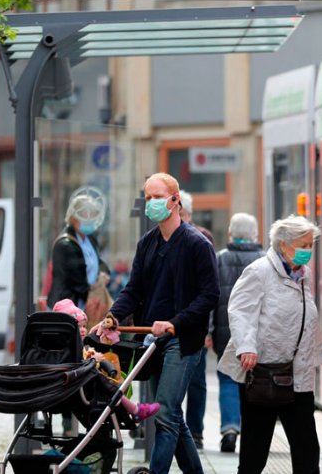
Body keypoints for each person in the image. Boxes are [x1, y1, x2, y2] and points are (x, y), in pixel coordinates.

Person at [101, 172, 219, 474]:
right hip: (152, 341)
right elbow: (134, 289)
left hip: (183, 340)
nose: (150, 203)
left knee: (164, 414)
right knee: (170, 416)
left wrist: (175, 323)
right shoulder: (147, 244)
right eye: (147, 197)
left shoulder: (197, 244)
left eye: (156, 196)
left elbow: (210, 295)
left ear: (175, 200)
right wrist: (113, 316)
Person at [218, 214, 322, 474]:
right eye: (303, 245)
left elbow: (309, 319)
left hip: (298, 377)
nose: (308, 251)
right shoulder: (259, 272)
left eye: (310, 246)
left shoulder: (302, 275)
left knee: (307, 450)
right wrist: (246, 347)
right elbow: (241, 311)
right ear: (284, 245)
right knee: (255, 452)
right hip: (263, 374)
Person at [53, 298, 160, 423]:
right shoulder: (70, 349)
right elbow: (79, 364)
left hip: (68, 389)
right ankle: (134, 410)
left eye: (84, 326)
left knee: (105, 381)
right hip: (80, 389)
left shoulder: (57, 349)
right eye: (78, 327)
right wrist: (94, 359)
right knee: (105, 381)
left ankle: (133, 409)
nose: (83, 330)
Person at [211, 213, 265, 453]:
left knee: (228, 380)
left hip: (226, 331)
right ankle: (254, 434)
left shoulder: (219, 260)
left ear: (231, 233)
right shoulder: (264, 259)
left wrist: (209, 330)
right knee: (255, 383)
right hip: (258, 333)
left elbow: (211, 297)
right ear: (255, 234)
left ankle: (230, 429)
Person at [179, 190, 214, 449]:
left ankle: (196, 431)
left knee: (197, 381)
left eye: (180, 213)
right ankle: (184, 433)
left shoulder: (202, 240)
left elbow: (211, 291)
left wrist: (208, 328)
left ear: (187, 214)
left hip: (195, 325)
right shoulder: (157, 239)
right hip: (170, 326)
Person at [47, 186, 111, 326]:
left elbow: (98, 262)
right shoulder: (65, 245)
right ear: (76, 217)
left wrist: (104, 273)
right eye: (89, 215)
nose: (92, 219)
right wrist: (95, 297)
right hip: (69, 307)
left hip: (86, 303)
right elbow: (77, 281)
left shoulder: (90, 238)